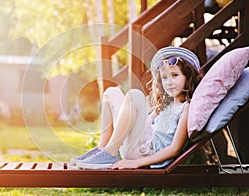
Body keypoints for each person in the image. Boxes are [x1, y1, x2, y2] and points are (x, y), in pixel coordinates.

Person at [71, 46, 202, 169]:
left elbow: (175, 148)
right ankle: (103, 149)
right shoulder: (165, 106)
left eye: (175, 75)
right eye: (165, 77)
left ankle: (110, 153)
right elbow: (145, 122)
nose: (169, 82)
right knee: (111, 92)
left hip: (147, 153)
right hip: (136, 145)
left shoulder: (186, 107)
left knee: (135, 95)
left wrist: (136, 163)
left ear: (188, 77)